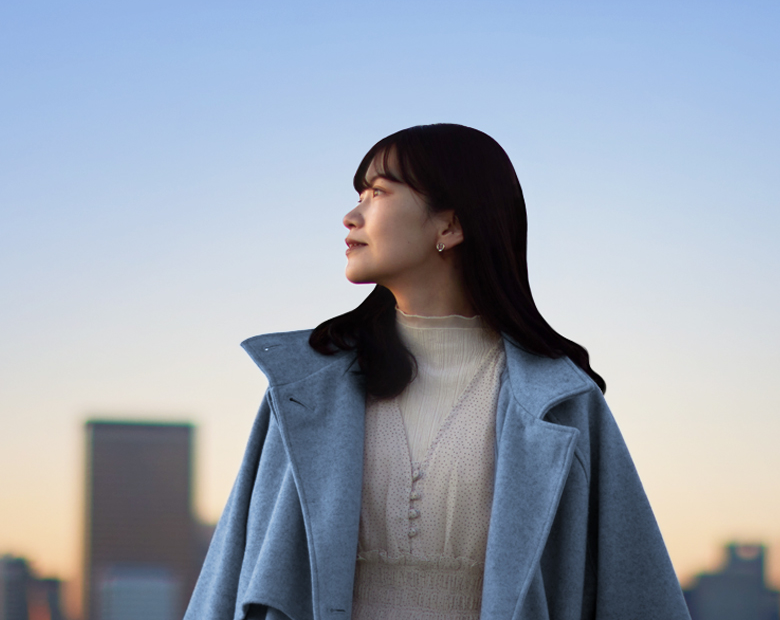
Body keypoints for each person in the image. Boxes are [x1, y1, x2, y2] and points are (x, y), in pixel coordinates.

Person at [184, 125, 689, 620]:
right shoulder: (302, 392)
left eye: (377, 192)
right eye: (358, 193)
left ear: (449, 226)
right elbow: (232, 575)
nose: (350, 216)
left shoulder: (562, 403)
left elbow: (636, 592)